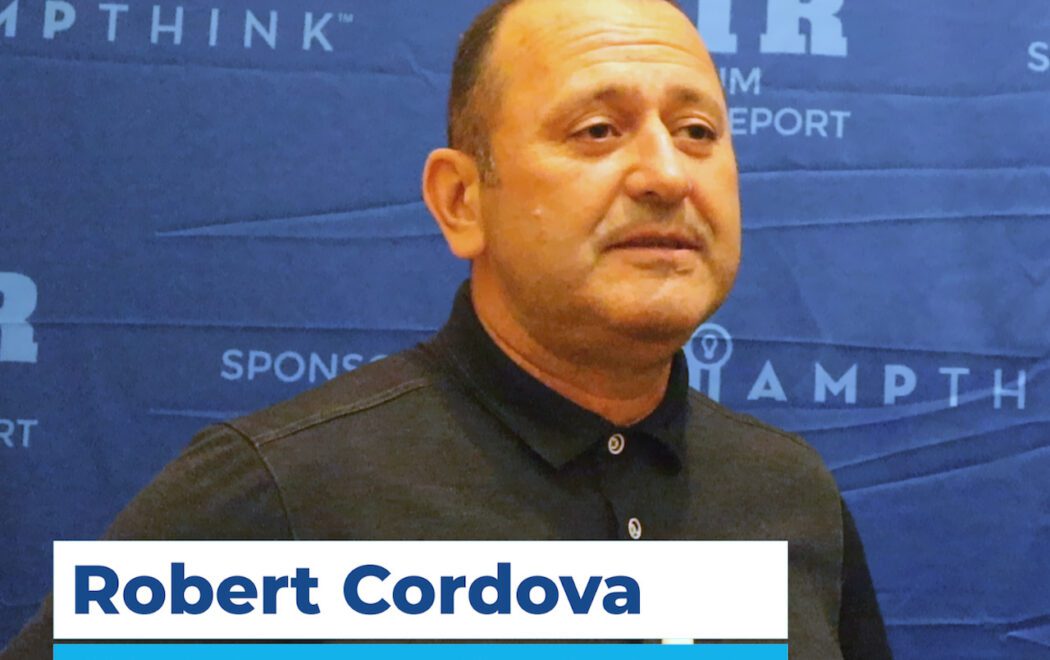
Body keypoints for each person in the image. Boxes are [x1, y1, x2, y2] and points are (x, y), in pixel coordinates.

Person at [1, 0, 892, 657]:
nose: (666, 173)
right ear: (462, 200)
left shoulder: (790, 494)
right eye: (597, 130)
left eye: (697, 131)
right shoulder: (279, 495)